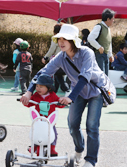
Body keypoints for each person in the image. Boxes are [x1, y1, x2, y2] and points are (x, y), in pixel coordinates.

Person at [21, 24, 107, 167]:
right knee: (72, 125)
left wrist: (70, 97)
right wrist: (29, 91)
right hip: (78, 92)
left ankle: (91, 160)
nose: (61, 42)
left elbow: (85, 77)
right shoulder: (60, 57)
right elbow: (43, 73)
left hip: (94, 91)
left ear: (73, 40)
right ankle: (79, 150)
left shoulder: (87, 53)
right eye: (59, 39)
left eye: (64, 39)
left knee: (92, 125)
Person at [23, 74, 65, 157]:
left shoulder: (52, 95)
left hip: (49, 122)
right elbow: (29, 103)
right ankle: (34, 147)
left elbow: (58, 103)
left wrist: (62, 102)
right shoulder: (35, 96)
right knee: (35, 133)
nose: (38, 88)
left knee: (53, 134)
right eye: (37, 86)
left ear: (49, 88)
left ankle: (52, 148)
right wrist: (25, 101)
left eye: (41, 87)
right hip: (38, 121)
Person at [41, 24, 70, 95]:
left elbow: (52, 49)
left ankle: (65, 88)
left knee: (57, 74)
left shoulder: (56, 38)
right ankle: (55, 91)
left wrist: (46, 57)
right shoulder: (66, 38)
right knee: (58, 75)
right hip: (66, 59)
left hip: (57, 59)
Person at [88, 8, 115, 76]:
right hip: (99, 55)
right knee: (100, 76)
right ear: (108, 19)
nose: (113, 21)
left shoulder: (108, 28)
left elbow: (108, 43)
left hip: (105, 55)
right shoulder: (99, 27)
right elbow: (90, 38)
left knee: (105, 76)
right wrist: (99, 47)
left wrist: (110, 55)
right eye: (113, 19)